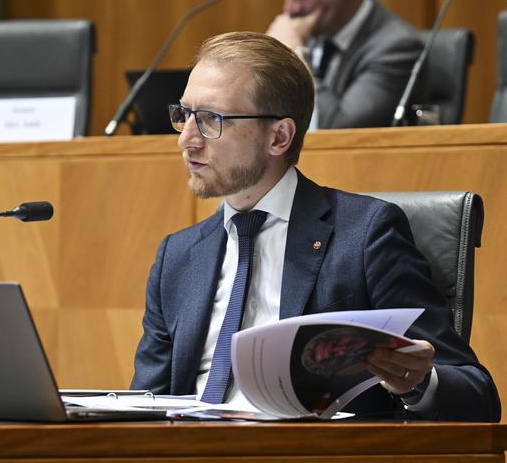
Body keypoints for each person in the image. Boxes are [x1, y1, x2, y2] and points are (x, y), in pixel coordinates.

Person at [130, 30, 501, 421]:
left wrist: (418, 383)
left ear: (279, 136)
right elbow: (146, 406)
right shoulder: (179, 255)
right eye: (184, 115)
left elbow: (477, 395)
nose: (186, 139)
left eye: (209, 120)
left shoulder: (365, 235)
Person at [266, 0, 423, 129]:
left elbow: (338, 127)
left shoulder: (396, 47)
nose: (290, 8)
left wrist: (295, 57)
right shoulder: (311, 30)